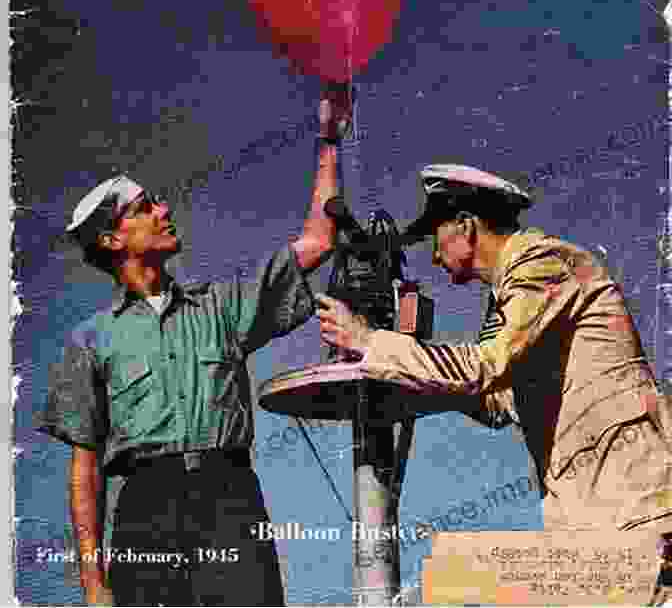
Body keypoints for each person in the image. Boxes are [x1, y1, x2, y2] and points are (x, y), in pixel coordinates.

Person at [35, 86, 351, 607]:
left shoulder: (222, 307)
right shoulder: (90, 340)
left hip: (230, 501)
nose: (163, 209)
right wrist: (94, 585)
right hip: (143, 511)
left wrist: (329, 139)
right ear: (113, 240)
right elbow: (84, 473)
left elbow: (317, 242)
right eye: (144, 207)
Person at [316, 163, 672, 539]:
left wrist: (370, 341)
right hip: (591, 509)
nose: (434, 257)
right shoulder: (509, 294)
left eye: (435, 238)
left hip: (635, 501)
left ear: (465, 226)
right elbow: (499, 404)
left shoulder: (540, 264)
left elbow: (483, 369)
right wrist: (411, 375)